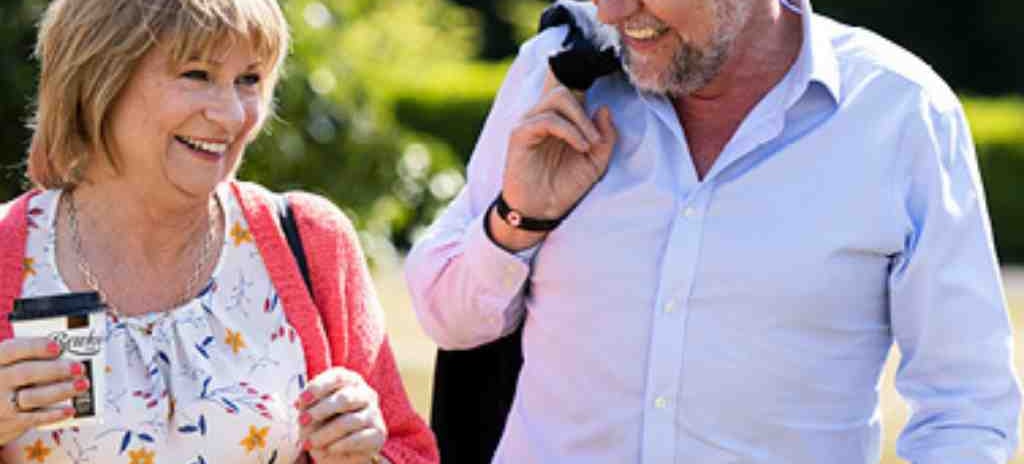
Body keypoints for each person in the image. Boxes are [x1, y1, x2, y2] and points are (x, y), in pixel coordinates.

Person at [405, 0, 1022, 462]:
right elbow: (448, 320)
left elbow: (966, 405)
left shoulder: (901, 113)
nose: (614, 12)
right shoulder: (557, 74)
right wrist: (519, 218)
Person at [0, 1, 438, 463]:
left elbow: (409, 452)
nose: (232, 115)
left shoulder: (311, 239)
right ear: (99, 79)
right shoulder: (10, 248)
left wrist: (365, 453)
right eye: (197, 74)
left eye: (249, 79)